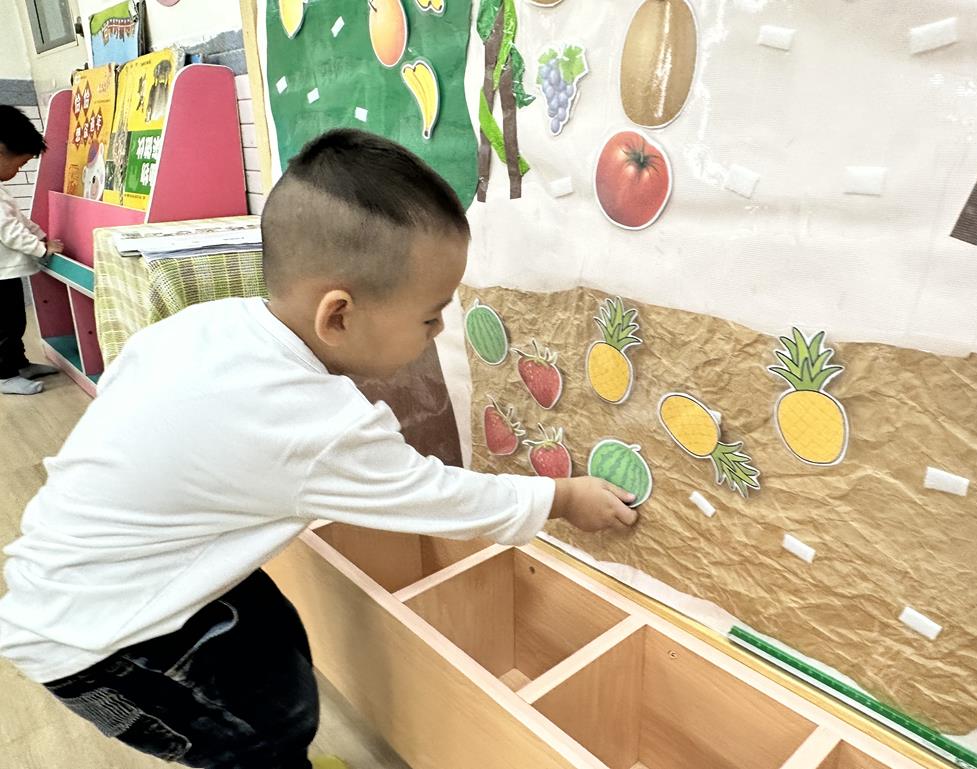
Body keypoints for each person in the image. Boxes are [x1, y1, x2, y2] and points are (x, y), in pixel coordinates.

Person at [0, 129, 638, 769]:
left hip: (110, 576)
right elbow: (442, 497)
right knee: (260, 734)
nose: (440, 329)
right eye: (430, 316)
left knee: (274, 643)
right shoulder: (313, 423)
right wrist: (561, 497)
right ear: (338, 315)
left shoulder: (210, 324)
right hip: (101, 645)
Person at [0, 104, 63, 395]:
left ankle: (19, 364)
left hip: (6, 273)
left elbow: (19, 221)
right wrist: (41, 249)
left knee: (15, 322)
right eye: (19, 164)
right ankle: (4, 376)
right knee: (4, 326)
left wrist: (41, 235)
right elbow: (9, 232)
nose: (17, 171)